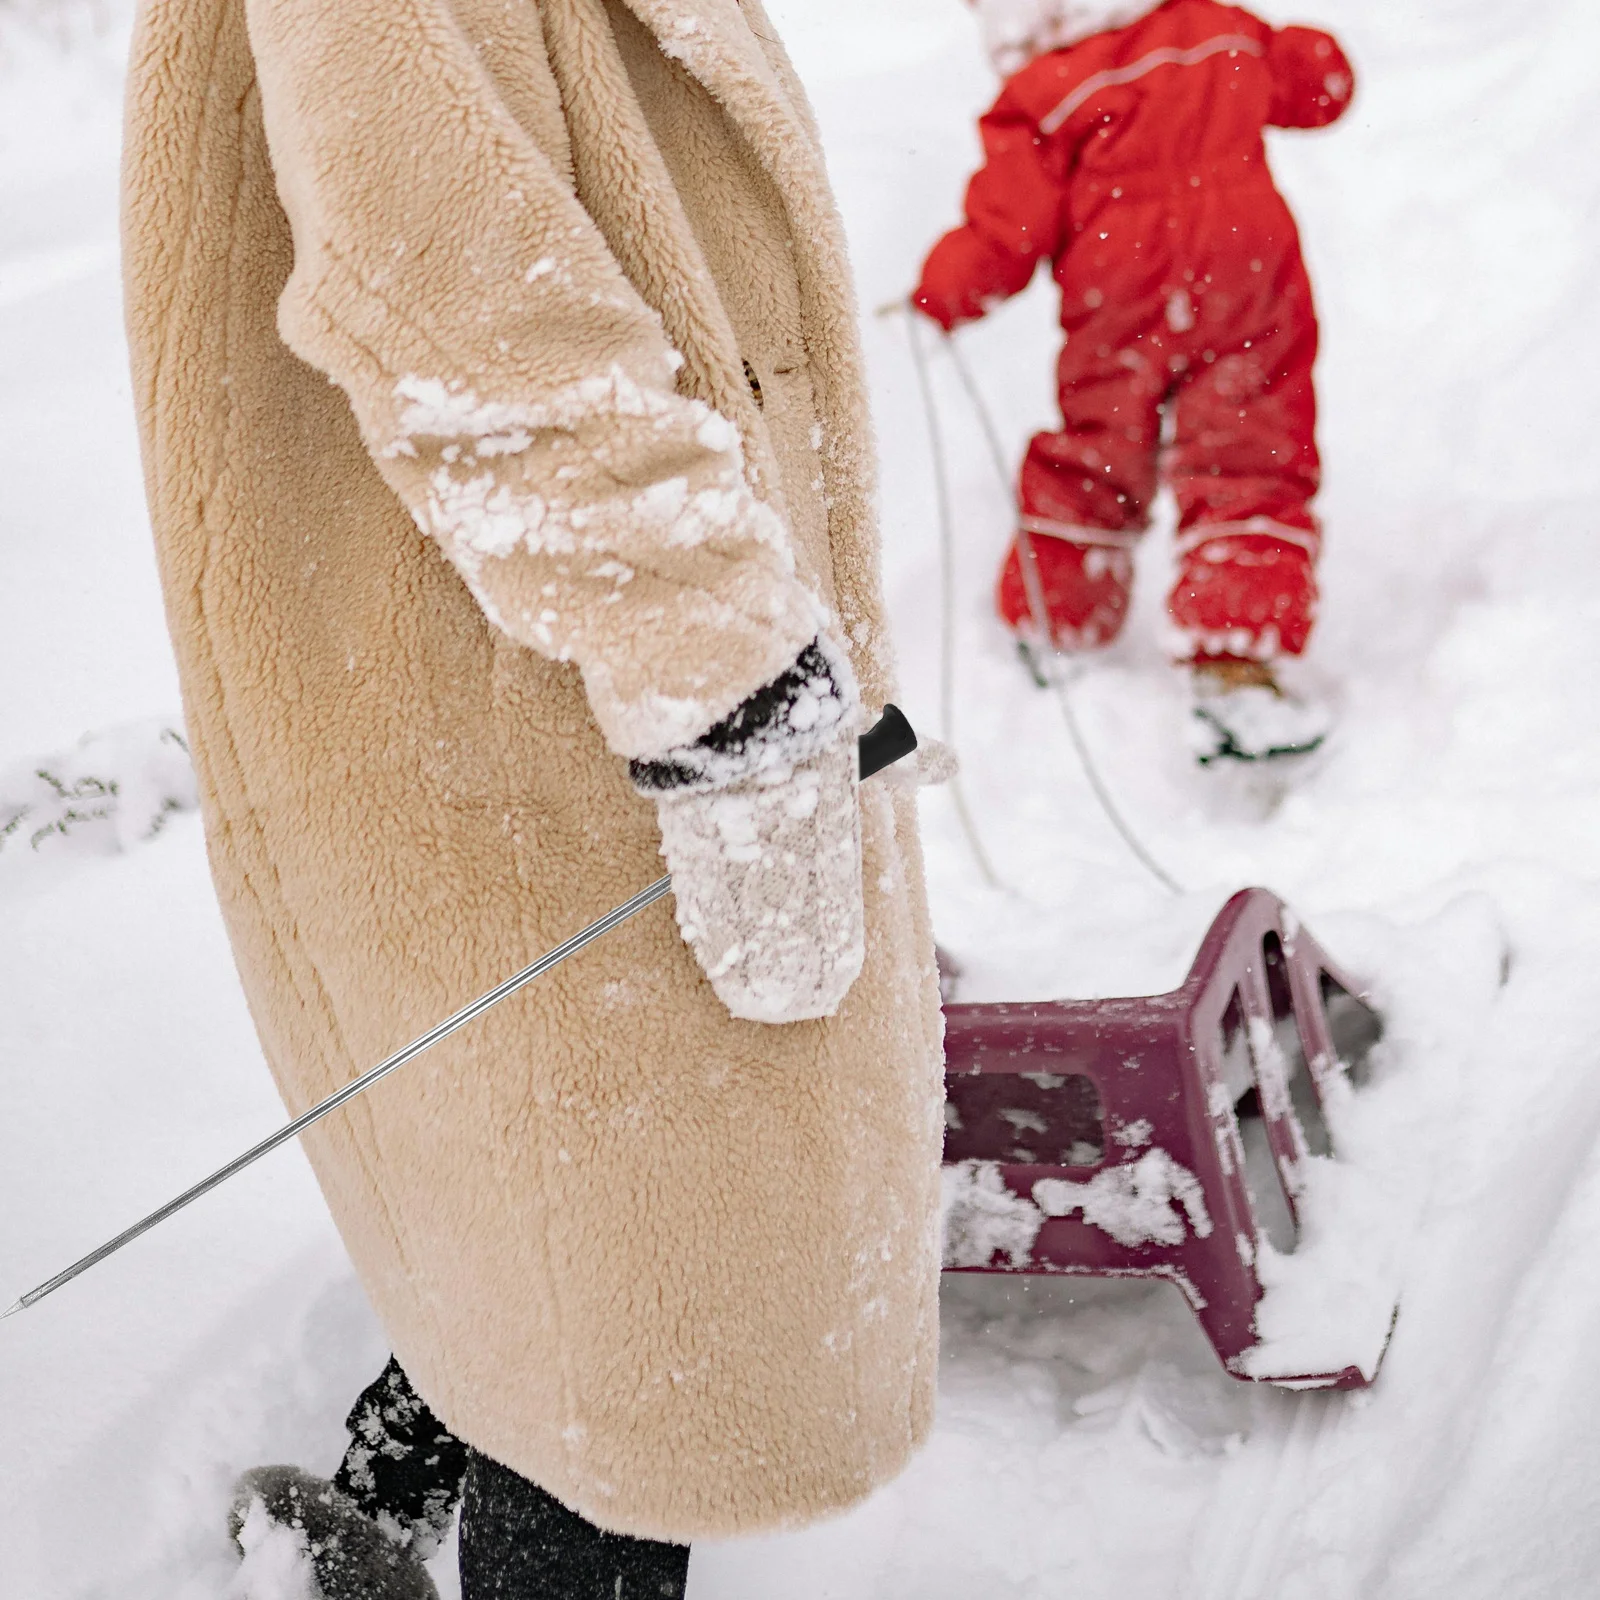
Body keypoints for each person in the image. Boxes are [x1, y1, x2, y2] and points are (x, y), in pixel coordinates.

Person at [122, 1, 945, 1595]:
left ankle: (408, 1465)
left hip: (554, 685)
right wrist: (729, 683)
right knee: (651, 1297)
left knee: (560, 1206)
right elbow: (455, 309)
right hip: (564, 706)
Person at [914, 0, 1354, 760]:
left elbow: (1005, 232)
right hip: (1247, 279)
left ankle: (1059, 618)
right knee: (1250, 453)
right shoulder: (1216, 29)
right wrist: (1319, 60)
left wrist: (937, 297)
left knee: (1100, 446)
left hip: (1119, 299)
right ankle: (1235, 659)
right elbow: (1317, 89)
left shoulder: (1044, 94)